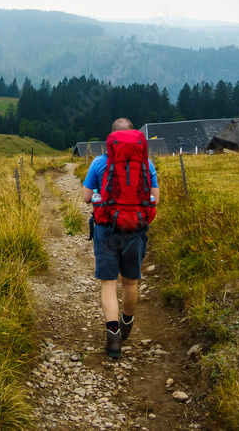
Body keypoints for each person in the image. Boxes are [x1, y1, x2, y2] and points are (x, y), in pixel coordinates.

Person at [82, 117, 159, 359]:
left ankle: (113, 335)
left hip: (106, 228)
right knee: (130, 282)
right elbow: (155, 198)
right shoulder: (147, 163)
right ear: (136, 136)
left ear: (111, 136)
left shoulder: (99, 162)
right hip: (135, 228)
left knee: (108, 283)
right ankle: (127, 321)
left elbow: (86, 198)